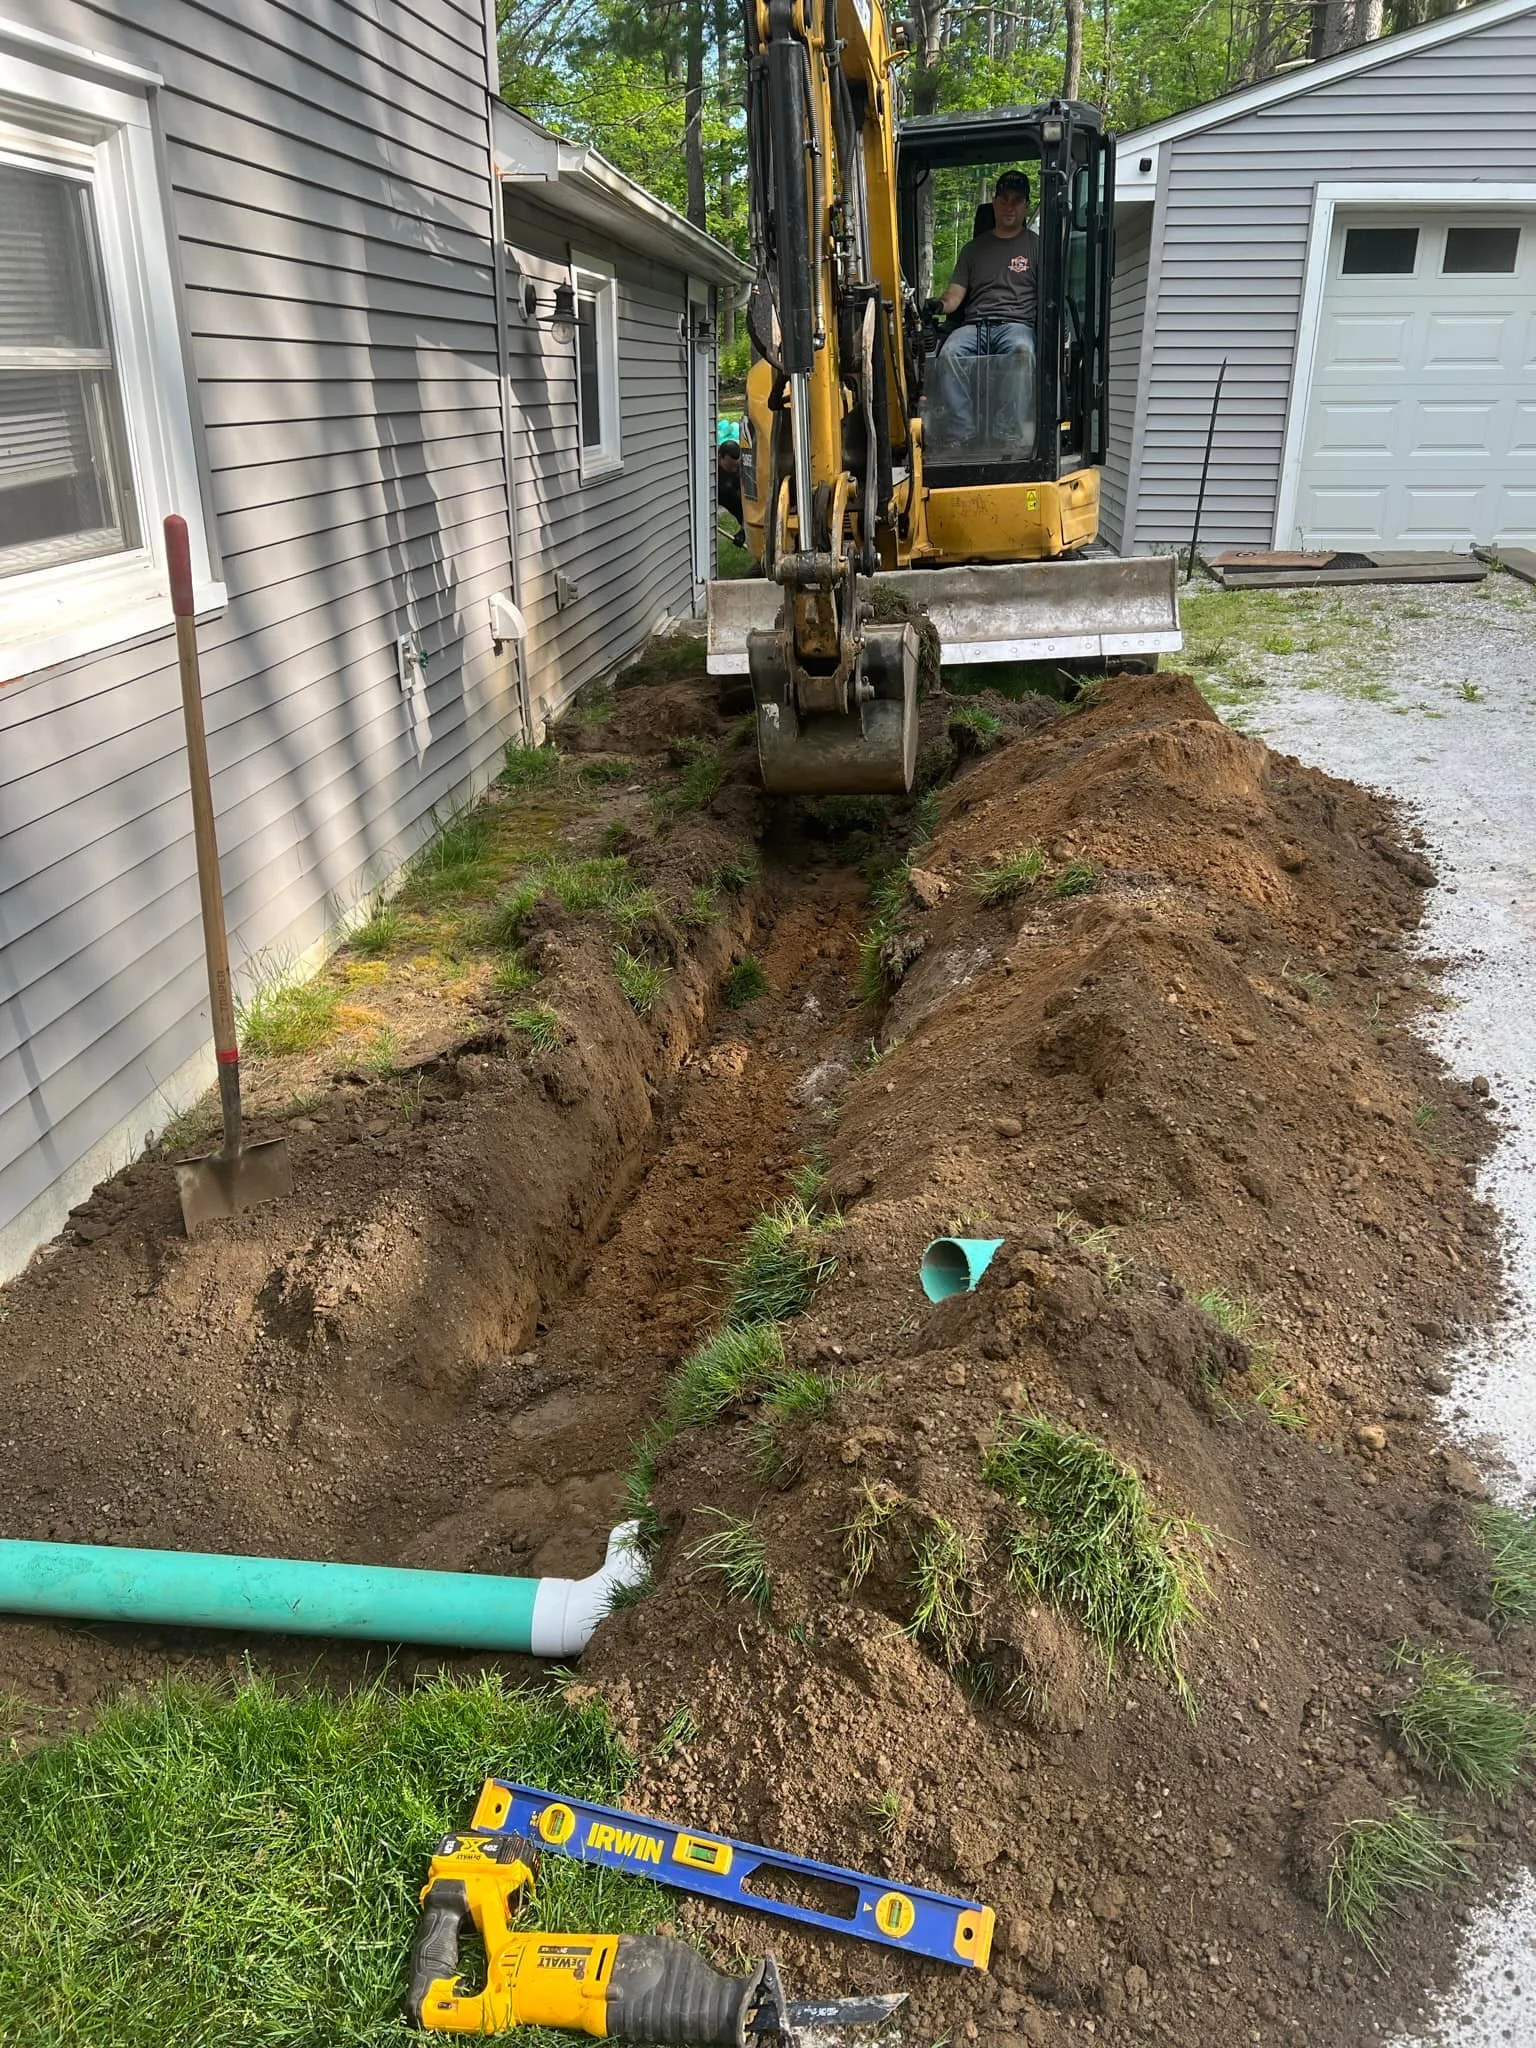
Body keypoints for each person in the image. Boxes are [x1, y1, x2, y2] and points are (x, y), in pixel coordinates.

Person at [928, 168, 1040, 452]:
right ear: (994, 202)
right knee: (950, 353)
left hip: (1016, 324)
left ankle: (1008, 432)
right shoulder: (973, 250)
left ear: (1026, 205)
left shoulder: (1036, 247)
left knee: (1021, 352)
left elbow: (1047, 294)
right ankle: (961, 431)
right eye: (1003, 199)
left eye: (1016, 200)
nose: (1009, 206)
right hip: (974, 325)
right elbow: (955, 294)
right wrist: (938, 305)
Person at [717, 439, 746, 547]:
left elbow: (743, 504)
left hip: (729, 496)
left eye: (736, 466)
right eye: (730, 466)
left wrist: (744, 531)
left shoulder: (737, 473)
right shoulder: (708, 465)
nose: (734, 470)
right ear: (720, 457)